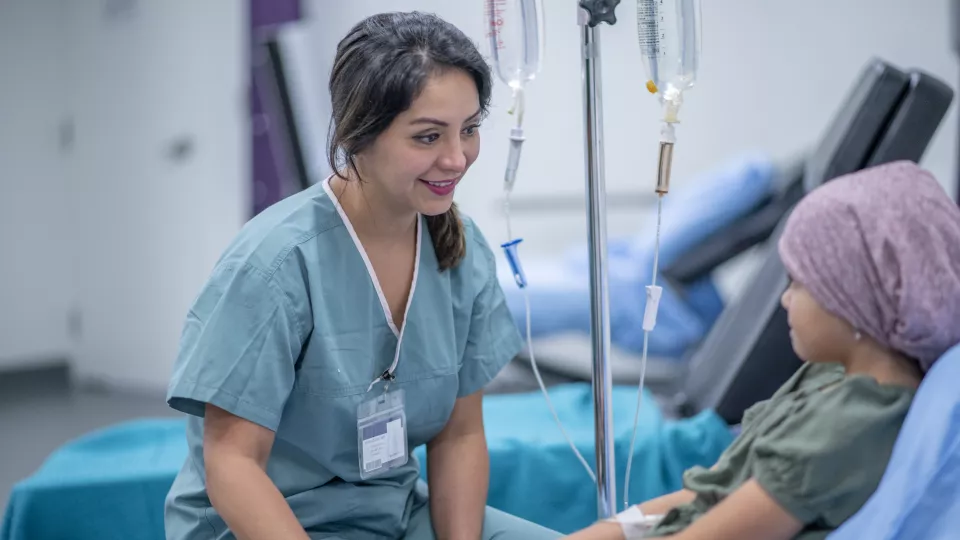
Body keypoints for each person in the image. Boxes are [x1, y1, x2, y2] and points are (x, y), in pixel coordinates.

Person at [163, 11, 560, 540]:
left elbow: (459, 436)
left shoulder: (461, 254)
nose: (456, 158)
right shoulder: (276, 264)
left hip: (389, 512)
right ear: (359, 133)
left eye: (469, 130)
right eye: (427, 137)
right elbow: (232, 466)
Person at [566, 160, 960, 540]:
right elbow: (705, 494)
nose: (786, 300)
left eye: (798, 284)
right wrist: (613, 529)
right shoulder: (831, 376)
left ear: (853, 297)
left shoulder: (842, 432)